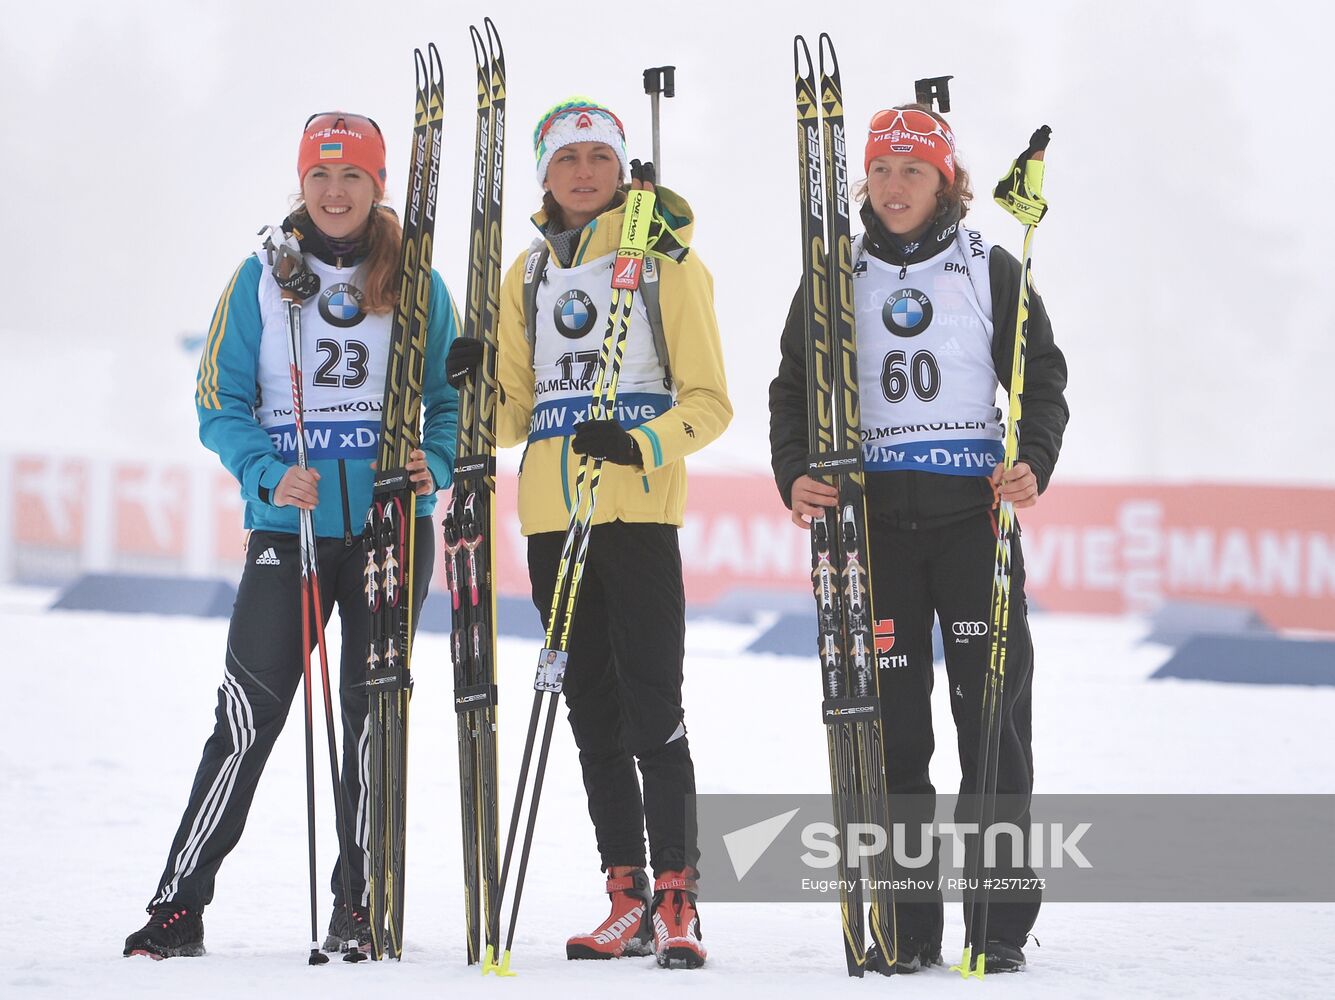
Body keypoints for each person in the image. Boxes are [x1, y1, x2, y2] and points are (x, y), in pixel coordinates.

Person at [123, 112, 459, 959]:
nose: (335, 192)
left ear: (377, 186)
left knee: (371, 719)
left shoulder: (416, 277)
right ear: (301, 183)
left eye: (352, 177)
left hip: (390, 526)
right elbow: (218, 401)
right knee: (247, 716)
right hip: (290, 526)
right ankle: (178, 906)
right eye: (321, 176)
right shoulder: (260, 278)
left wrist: (440, 460)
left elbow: (453, 397)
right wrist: (269, 472)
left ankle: (360, 904)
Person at [768, 103, 1068, 973]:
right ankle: (906, 927)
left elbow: (1041, 379)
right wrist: (795, 470)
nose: (895, 187)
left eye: (915, 171)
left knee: (992, 729)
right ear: (864, 180)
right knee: (891, 735)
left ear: (946, 183)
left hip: (972, 527)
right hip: (872, 538)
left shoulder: (990, 267)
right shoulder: (834, 274)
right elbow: (793, 387)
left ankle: (997, 925)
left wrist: (1032, 460)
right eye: (882, 171)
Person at [447, 97, 731, 969]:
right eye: (565, 160)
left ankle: (679, 894)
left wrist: (640, 443)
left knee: (654, 710)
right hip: (549, 517)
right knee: (591, 713)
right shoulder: (527, 275)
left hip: (636, 514)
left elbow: (710, 404)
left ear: (619, 169)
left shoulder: (662, 262)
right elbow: (513, 420)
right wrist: (472, 383)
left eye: (596, 159)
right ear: (544, 175)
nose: (581, 174)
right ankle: (626, 892)